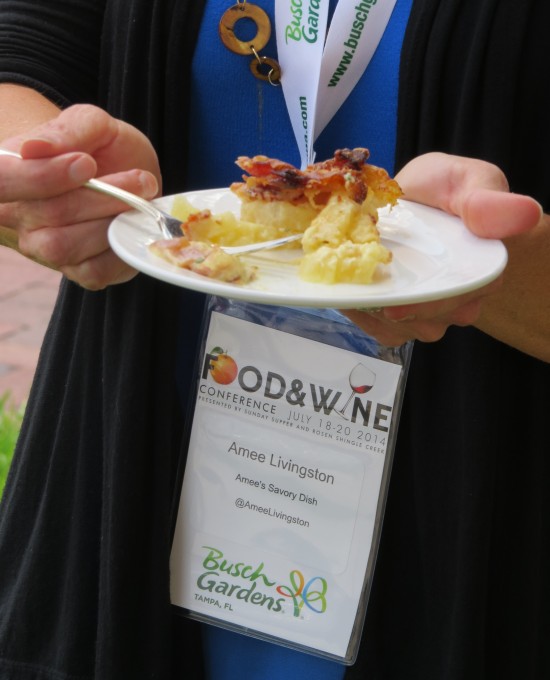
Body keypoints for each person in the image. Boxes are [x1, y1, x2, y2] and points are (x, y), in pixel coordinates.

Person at [0, 0, 548, 679]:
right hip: (127, 490)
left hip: (475, 537)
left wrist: (495, 268)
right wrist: (51, 170)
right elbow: (20, 48)